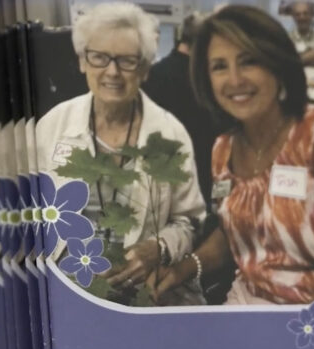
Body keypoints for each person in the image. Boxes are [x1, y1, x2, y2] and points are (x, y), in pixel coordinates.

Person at [151, 5, 314, 305]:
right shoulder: (223, 148)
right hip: (242, 311)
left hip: (313, 323)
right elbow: (241, 227)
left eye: (248, 62)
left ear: (278, 64)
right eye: (219, 66)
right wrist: (181, 269)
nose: (234, 80)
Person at [35, 2, 206, 304]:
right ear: (82, 62)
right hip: (69, 290)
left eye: (127, 61)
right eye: (99, 57)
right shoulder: (54, 125)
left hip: (146, 295)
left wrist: (159, 247)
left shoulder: (170, 134)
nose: (112, 72)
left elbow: (190, 221)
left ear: (144, 69)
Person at [143, 11, 219, 204]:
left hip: (158, 171)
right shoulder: (206, 80)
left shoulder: (153, 74)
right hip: (200, 171)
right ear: (204, 43)